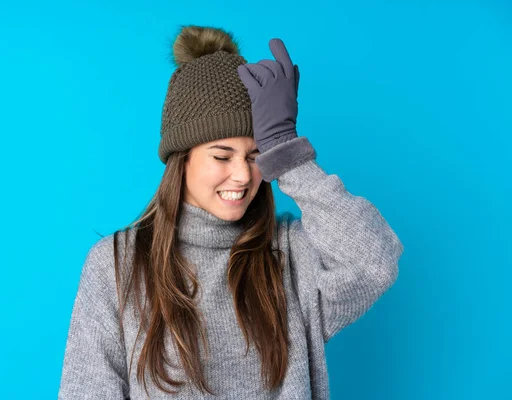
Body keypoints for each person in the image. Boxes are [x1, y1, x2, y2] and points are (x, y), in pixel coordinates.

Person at [58, 25, 404, 400]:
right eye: (222, 156)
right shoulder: (118, 264)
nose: (243, 175)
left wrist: (287, 154)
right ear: (182, 159)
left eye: (257, 157)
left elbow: (374, 261)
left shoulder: (290, 255)